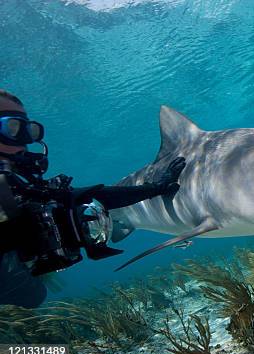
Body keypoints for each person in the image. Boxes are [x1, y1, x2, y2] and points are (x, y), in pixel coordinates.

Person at [0, 89, 186, 307]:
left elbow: (84, 198)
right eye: (12, 128)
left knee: (33, 294)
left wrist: (156, 188)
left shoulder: (19, 186)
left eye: (29, 131)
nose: (23, 142)